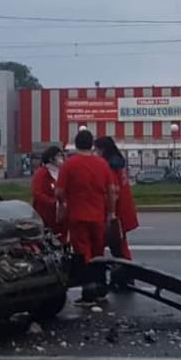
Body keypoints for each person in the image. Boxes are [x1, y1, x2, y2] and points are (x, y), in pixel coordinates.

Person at [56, 129, 115, 305]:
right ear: (91, 144)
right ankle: (101, 290)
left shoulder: (69, 164)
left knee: (83, 255)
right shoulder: (103, 164)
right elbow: (111, 192)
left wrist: (64, 203)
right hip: (98, 216)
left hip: (78, 217)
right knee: (98, 253)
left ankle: (88, 294)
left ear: (76, 143)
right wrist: (111, 213)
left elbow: (59, 191)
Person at [94, 136, 138, 262]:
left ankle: (124, 274)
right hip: (124, 210)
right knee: (119, 244)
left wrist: (109, 212)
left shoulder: (110, 166)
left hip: (115, 212)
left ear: (102, 150)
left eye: (96, 150)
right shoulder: (119, 163)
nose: (95, 154)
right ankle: (125, 274)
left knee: (114, 246)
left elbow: (113, 191)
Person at [31, 145, 63, 232]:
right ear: (51, 158)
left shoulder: (62, 172)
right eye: (58, 156)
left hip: (61, 216)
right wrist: (54, 203)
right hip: (46, 215)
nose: (61, 158)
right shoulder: (41, 173)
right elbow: (37, 193)